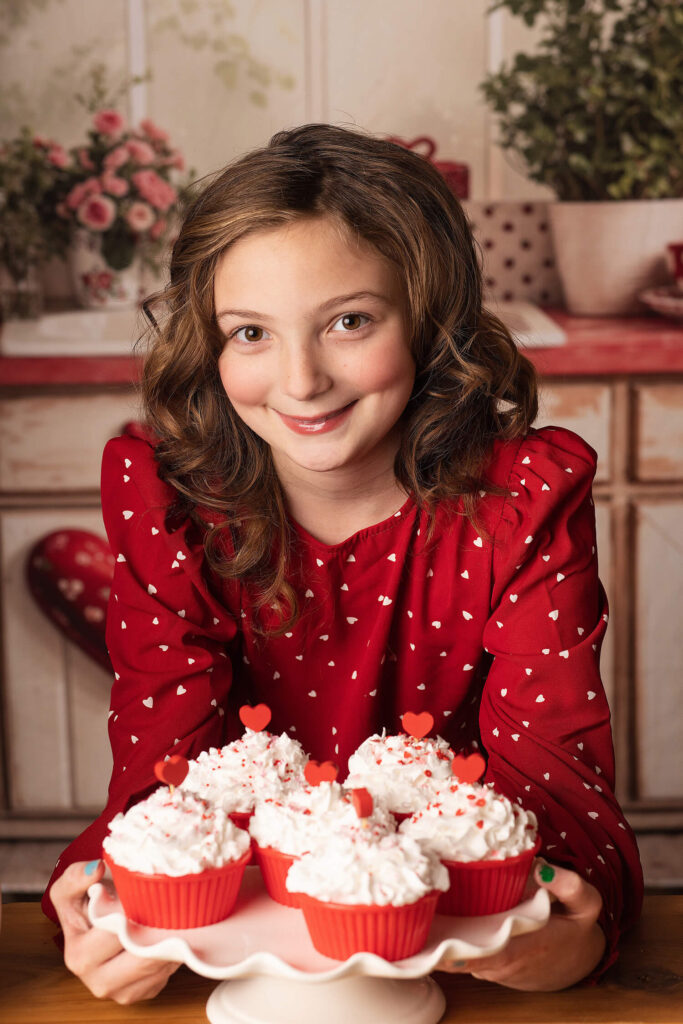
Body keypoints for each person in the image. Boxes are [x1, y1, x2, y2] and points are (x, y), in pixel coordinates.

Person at [45, 122, 642, 1003]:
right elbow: (156, 787)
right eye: (249, 332)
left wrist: (569, 938)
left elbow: (563, 803)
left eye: (348, 322)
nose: (300, 381)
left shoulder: (521, 502)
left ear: (431, 321)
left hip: (453, 964)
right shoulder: (173, 508)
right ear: (208, 346)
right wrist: (100, 897)